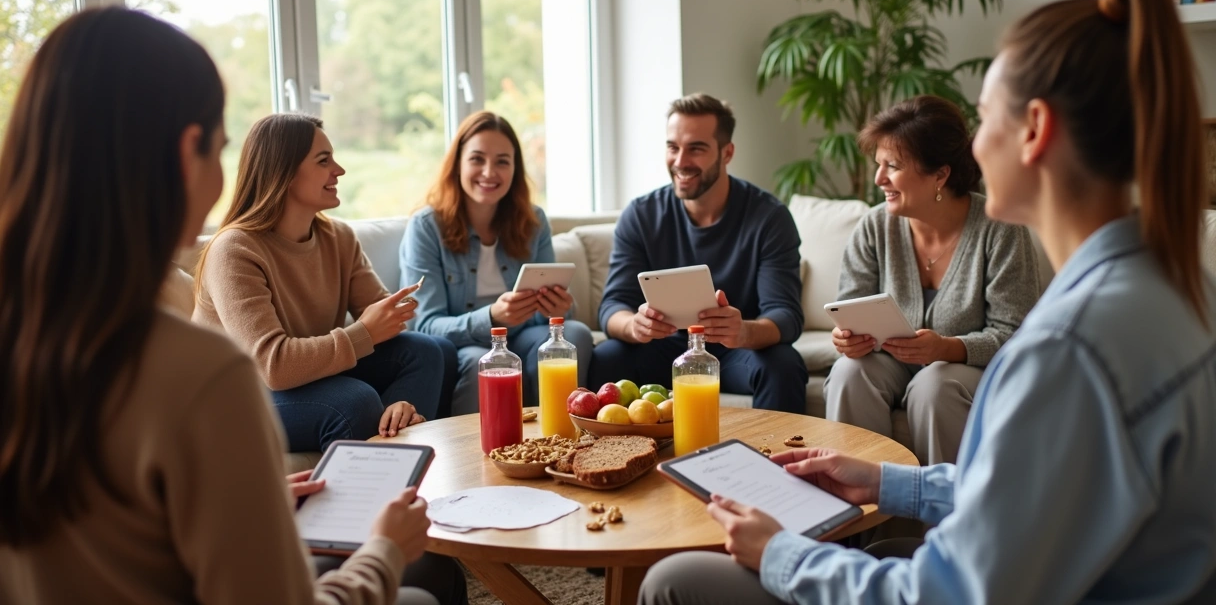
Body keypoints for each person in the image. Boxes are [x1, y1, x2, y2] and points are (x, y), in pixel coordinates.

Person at [639, 0, 1216, 603]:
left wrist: (782, 554)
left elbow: (950, 593)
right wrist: (889, 483)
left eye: (985, 119)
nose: (975, 146)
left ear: (1035, 132)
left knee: (675, 581)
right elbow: (1033, 491)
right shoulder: (1179, 287)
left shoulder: (1066, 352)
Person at [0, 6, 448, 605]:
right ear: (190, 153)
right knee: (429, 582)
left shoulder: (28, 332)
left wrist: (249, 500)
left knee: (422, 352)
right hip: (284, 384)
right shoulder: (201, 373)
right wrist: (385, 550)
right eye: (218, 147)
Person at [193, 113, 458, 453]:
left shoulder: (338, 237)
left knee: (432, 350)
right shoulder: (235, 250)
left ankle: (399, 454)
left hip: (301, 379)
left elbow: (382, 316)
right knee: (355, 401)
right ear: (284, 172)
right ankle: (369, 497)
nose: (339, 170)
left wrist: (403, 396)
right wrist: (365, 332)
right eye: (324, 160)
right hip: (234, 398)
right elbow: (273, 366)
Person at [823, 95, 1040, 465]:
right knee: (849, 373)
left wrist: (947, 349)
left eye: (893, 166)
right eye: (879, 165)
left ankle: (947, 517)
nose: (879, 179)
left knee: (935, 386)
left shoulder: (1001, 230)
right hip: (888, 359)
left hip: (967, 369)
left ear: (940, 174)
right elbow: (850, 305)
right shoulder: (875, 227)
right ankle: (855, 517)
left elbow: (1015, 334)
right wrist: (847, 337)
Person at [589, 93, 808, 412]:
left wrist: (744, 331)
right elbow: (612, 306)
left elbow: (786, 316)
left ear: (727, 152)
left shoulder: (769, 218)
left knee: (783, 364)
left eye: (696, 148)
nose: (680, 161)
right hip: (660, 350)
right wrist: (634, 326)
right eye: (673, 147)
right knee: (608, 355)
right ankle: (609, 459)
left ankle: (779, 460)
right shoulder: (641, 215)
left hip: (734, 353)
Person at [401, 111, 593, 413]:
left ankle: (557, 440)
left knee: (576, 332)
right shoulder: (426, 226)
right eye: (477, 159)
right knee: (483, 360)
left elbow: (556, 313)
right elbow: (424, 325)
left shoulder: (533, 221)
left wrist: (558, 308)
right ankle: (476, 455)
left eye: (502, 161)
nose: (489, 172)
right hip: (465, 344)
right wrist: (492, 317)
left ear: (515, 169)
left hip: (525, 335)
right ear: (458, 164)